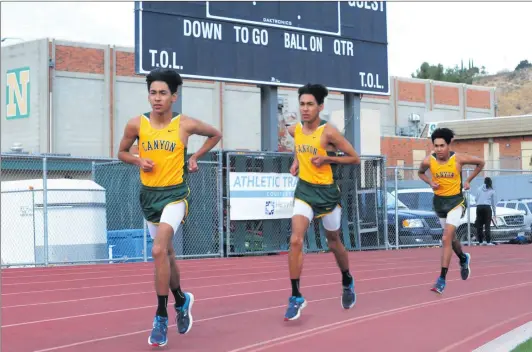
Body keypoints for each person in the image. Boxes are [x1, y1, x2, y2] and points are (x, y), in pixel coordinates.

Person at [117, 68, 222, 347]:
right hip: (149, 196)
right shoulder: (136, 125)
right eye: (153, 92)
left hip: (175, 195)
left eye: (163, 93)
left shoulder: (184, 124)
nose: (157, 98)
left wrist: (195, 156)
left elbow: (215, 134)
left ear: (174, 96)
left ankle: (161, 316)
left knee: (158, 250)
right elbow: (121, 152)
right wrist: (138, 161)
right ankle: (181, 299)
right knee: (167, 254)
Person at [284, 83, 360, 321]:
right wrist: (297, 160)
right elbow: (299, 145)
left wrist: (327, 158)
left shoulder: (329, 132)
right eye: (302, 104)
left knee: (333, 240)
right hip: (304, 190)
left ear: (320, 107)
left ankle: (347, 278)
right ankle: (296, 296)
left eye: (310, 104)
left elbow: (355, 158)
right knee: (296, 240)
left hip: (327, 192)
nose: (305, 109)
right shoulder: (295, 130)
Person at [418, 127, 485, 294]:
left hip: (456, 201)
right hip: (440, 203)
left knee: (446, 237)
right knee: (452, 239)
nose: (439, 149)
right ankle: (463, 258)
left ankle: (441, 279)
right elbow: (420, 173)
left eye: (442, 145)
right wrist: (429, 182)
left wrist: (468, 180)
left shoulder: (458, 159)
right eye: (436, 146)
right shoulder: (429, 161)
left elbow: (481, 162)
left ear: (449, 145)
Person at [474, 177, 496, 245]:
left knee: (479, 225)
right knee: (487, 225)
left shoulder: (478, 189)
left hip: (479, 207)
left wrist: (479, 203)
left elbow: (476, 199)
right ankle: (488, 241)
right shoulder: (492, 190)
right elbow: (493, 203)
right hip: (487, 207)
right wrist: (494, 212)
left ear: (484, 182)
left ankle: (480, 241)